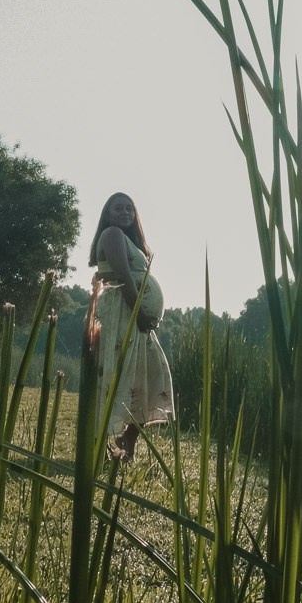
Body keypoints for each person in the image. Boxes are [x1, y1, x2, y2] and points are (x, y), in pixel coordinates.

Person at [87, 191, 174, 459]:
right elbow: (123, 276)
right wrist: (138, 312)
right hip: (123, 314)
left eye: (129, 209)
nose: (124, 213)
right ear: (107, 214)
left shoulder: (129, 239)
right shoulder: (112, 234)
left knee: (149, 376)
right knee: (115, 376)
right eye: (118, 208)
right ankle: (98, 445)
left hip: (137, 320)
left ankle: (128, 440)